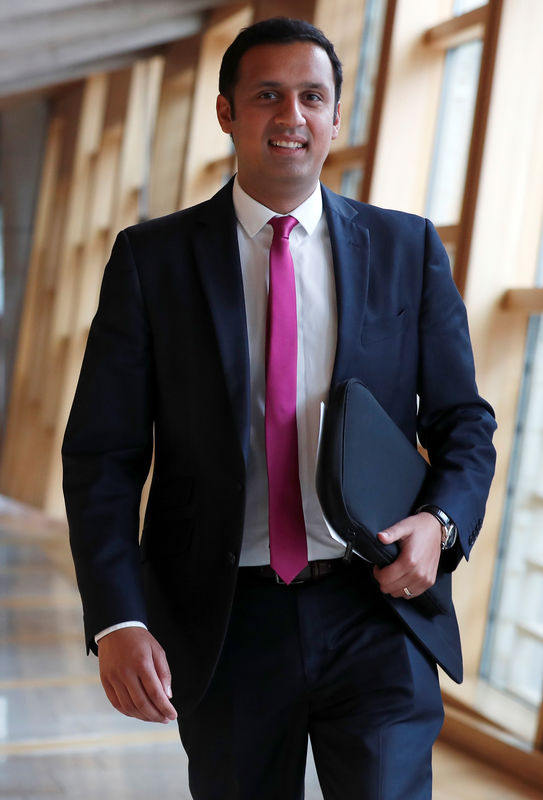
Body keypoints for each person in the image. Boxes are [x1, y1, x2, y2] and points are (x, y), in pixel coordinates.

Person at [62, 17, 496, 800]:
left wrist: (440, 524)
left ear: (335, 115)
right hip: (227, 620)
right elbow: (102, 455)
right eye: (267, 96)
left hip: (375, 607)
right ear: (227, 112)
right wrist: (117, 619)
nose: (290, 116)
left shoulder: (408, 250)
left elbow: (464, 421)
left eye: (311, 97)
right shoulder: (151, 261)